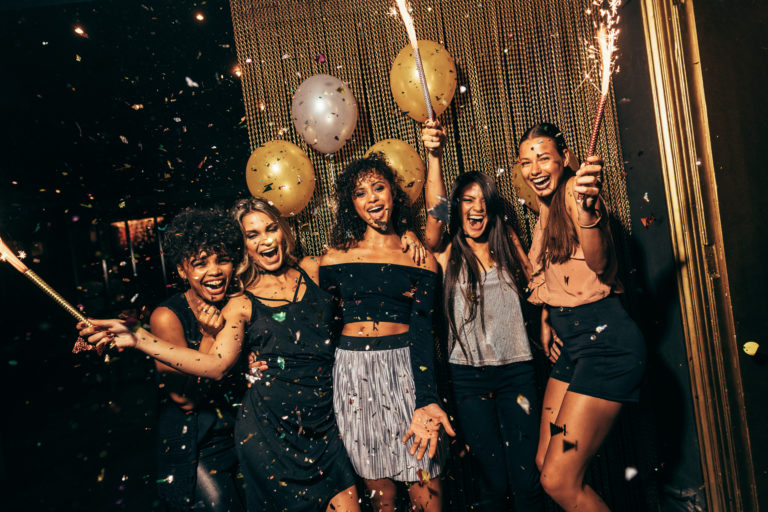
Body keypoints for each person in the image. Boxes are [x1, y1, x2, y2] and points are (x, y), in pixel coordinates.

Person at [79, 199, 361, 512]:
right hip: (231, 439)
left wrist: (410, 242)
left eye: (270, 229)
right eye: (252, 235)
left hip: (314, 424)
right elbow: (205, 375)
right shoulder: (217, 307)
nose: (213, 271)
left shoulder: (296, 275)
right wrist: (139, 335)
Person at [316, 154, 455, 512]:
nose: (373, 199)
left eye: (379, 188)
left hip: (405, 370)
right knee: (382, 499)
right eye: (361, 193)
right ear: (352, 204)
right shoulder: (333, 259)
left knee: (426, 488)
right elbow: (321, 330)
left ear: (393, 193)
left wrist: (426, 397)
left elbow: (424, 332)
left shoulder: (420, 258)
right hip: (352, 376)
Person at [518, 123, 645, 511]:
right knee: (544, 463)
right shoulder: (547, 208)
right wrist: (546, 319)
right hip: (574, 347)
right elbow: (552, 274)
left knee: (558, 479)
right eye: (525, 161)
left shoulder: (577, 195)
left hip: (606, 344)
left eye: (543, 157)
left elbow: (601, 262)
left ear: (565, 159)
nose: (534, 168)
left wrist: (588, 213)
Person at [421, 121, 545, 511]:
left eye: (483, 201)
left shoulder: (507, 243)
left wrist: (545, 323)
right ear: (457, 207)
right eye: (467, 201)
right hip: (469, 379)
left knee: (527, 481)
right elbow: (435, 213)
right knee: (491, 485)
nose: (476, 209)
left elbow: (539, 288)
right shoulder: (444, 255)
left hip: (518, 374)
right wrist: (434, 156)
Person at [141, 207, 247, 512]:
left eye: (222, 260)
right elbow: (184, 398)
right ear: (182, 271)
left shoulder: (237, 305)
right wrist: (208, 334)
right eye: (200, 264)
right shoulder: (166, 316)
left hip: (242, 433)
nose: (214, 271)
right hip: (197, 445)